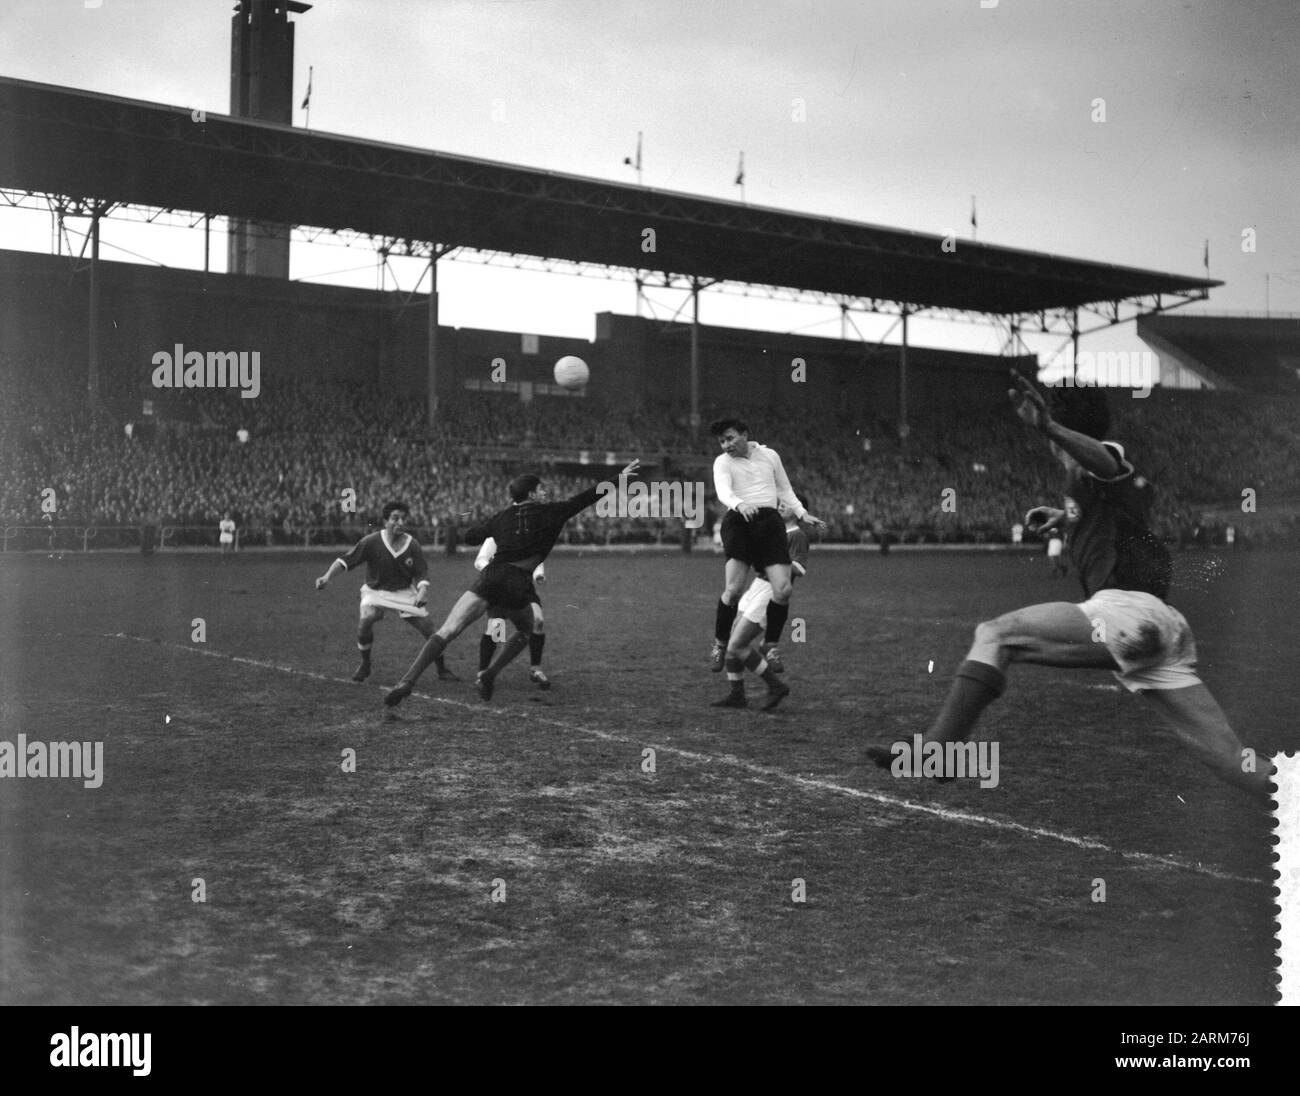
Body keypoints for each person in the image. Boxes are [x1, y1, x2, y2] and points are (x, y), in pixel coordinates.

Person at [867, 375, 1272, 799]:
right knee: (1231, 760)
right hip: (1161, 628)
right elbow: (1116, 511)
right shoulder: (1091, 488)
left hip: (1126, 613)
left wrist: (1049, 426)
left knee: (996, 634)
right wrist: (1065, 517)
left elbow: (1107, 462)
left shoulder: (1102, 459)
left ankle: (939, 749)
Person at [385, 460, 640, 706]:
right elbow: (588, 497)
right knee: (529, 629)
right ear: (532, 493)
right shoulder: (553, 511)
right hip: (517, 582)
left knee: (447, 631)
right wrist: (621, 478)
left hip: (490, 577)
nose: (545, 492)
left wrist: (482, 521)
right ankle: (490, 674)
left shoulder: (502, 517)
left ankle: (407, 682)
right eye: (541, 488)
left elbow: (471, 536)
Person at [709, 417, 825, 674]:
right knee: (734, 589)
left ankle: (770, 644)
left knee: (783, 590)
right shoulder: (722, 463)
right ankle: (719, 644)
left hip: (769, 523)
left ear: (745, 434)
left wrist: (802, 513)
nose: (725, 445)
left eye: (729, 438)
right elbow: (723, 492)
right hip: (739, 521)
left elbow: (784, 488)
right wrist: (740, 504)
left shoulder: (769, 455)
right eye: (721, 441)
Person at [314, 500, 455, 683]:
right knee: (365, 621)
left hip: (404, 592)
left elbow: (421, 573)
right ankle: (365, 665)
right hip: (375, 592)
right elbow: (346, 561)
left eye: (403, 519)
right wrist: (326, 577)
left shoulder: (412, 545)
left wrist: (422, 590)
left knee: (430, 630)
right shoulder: (371, 541)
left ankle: (442, 669)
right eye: (395, 518)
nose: (400, 523)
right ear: (385, 521)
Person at [712, 500, 811, 710]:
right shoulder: (773, 530)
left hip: (769, 592)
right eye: (780, 503)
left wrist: (775, 559)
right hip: (757, 585)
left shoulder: (797, 535)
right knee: (732, 638)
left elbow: (800, 569)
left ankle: (775, 686)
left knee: (736, 645)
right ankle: (737, 694)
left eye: (787, 504)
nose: (781, 506)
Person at [475, 534, 550, 689]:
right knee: (497, 630)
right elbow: (480, 560)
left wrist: (538, 574)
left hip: (524, 588)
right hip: (499, 587)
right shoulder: (495, 537)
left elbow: (536, 560)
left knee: (538, 621)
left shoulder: (530, 535)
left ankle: (536, 669)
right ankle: (483, 673)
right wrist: (496, 573)